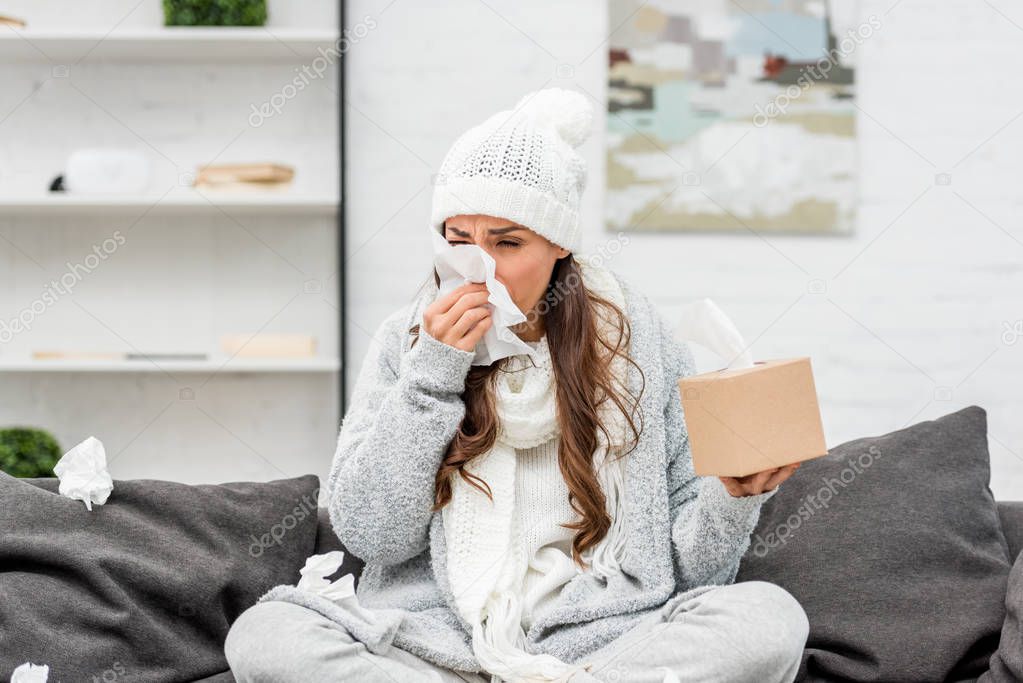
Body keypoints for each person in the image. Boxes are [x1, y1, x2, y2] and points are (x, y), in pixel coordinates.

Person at [224, 87, 809, 682]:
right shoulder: (404, 342)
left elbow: (687, 574)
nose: (478, 267)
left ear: (559, 245)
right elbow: (372, 534)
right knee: (268, 635)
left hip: (602, 642)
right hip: (436, 643)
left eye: (507, 242)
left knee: (768, 617)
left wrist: (734, 500)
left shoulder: (641, 345)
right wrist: (433, 375)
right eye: (458, 239)